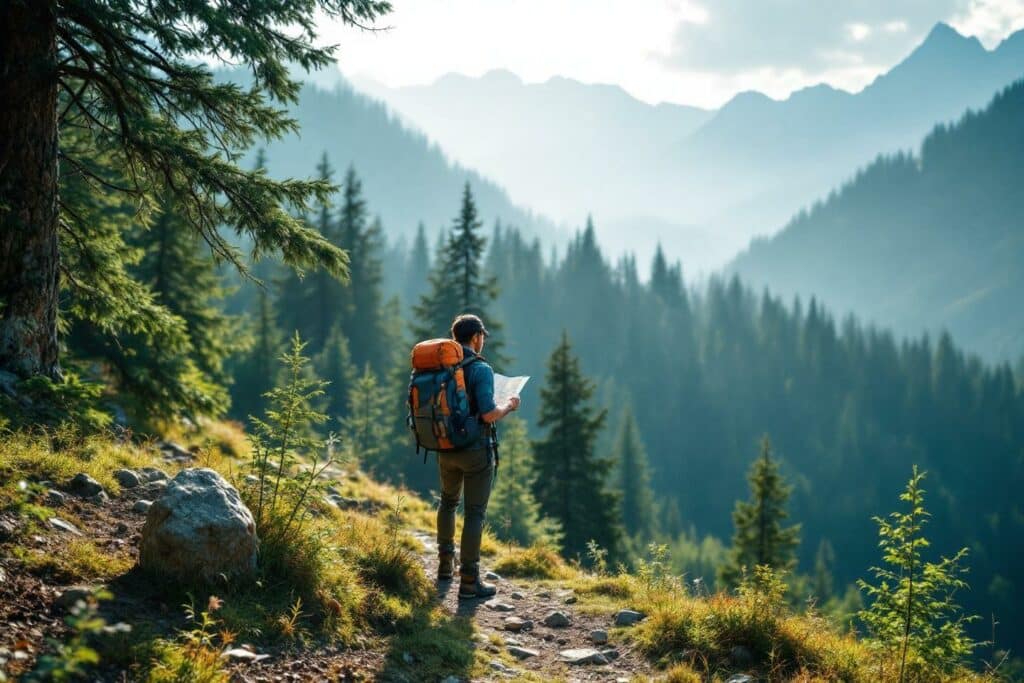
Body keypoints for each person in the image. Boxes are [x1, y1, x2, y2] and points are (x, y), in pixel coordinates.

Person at [437, 313, 520, 599]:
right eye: (482, 336)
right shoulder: (481, 369)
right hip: (475, 452)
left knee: (448, 503)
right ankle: (470, 582)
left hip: (445, 448)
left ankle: (445, 567)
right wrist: (508, 405)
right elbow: (487, 413)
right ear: (476, 337)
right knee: (474, 513)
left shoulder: (442, 365)